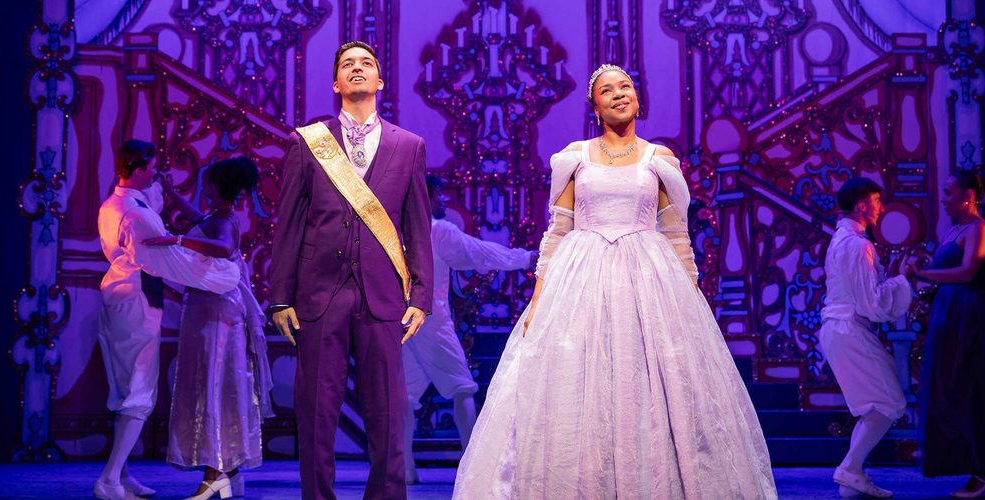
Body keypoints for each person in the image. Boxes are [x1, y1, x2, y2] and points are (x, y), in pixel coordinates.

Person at [452, 64, 776, 499]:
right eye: (607, 90)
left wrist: (691, 297)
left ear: (637, 99)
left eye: (625, 87)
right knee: (576, 381)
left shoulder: (658, 159)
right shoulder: (576, 156)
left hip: (648, 275)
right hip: (581, 277)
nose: (618, 94)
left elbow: (676, 233)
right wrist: (539, 298)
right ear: (595, 106)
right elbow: (559, 229)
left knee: (648, 384)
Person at [267, 40, 434, 499]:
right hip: (319, 294)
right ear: (336, 83)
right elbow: (290, 223)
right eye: (347, 65)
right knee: (316, 411)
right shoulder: (308, 142)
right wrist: (280, 296)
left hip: (382, 296)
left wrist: (421, 297)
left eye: (366, 64)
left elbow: (418, 227)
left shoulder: (409, 146)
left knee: (388, 412)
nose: (356, 69)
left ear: (379, 81)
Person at [94, 140, 240, 500]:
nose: (155, 173)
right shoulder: (136, 214)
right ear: (140, 169)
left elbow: (155, 212)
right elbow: (166, 260)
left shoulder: (114, 204)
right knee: (139, 393)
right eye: (152, 168)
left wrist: (168, 196)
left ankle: (121, 475)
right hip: (138, 300)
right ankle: (110, 479)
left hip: (120, 296)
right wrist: (221, 276)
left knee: (125, 391)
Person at [143, 157, 275, 500]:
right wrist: (171, 193)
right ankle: (227, 472)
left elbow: (224, 247)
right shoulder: (217, 216)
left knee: (213, 385)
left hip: (217, 313)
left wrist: (178, 241)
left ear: (217, 186)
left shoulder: (225, 222)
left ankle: (215, 473)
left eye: (210, 183)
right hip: (212, 310)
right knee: (216, 385)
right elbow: (197, 221)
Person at [401, 175, 536, 483]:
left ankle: (406, 468)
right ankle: (474, 463)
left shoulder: (400, 231)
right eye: (439, 196)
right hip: (431, 318)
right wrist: (524, 257)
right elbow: (479, 252)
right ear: (427, 197)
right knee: (461, 386)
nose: (444, 202)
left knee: (407, 396)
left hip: (404, 320)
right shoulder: (438, 231)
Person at [817, 177, 913, 498]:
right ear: (862, 205)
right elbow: (871, 304)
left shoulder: (843, 239)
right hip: (847, 329)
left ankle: (852, 478)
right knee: (890, 402)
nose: (880, 208)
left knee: (877, 404)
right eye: (876, 201)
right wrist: (903, 279)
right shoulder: (858, 245)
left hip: (841, 329)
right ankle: (850, 468)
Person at [914, 169, 985, 498]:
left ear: (968, 195)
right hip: (951, 314)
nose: (943, 197)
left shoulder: (980, 228)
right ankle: (973, 466)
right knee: (948, 389)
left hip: (972, 316)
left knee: (973, 390)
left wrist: (927, 273)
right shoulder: (956, 229)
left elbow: (968, 272)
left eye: (949, 192)